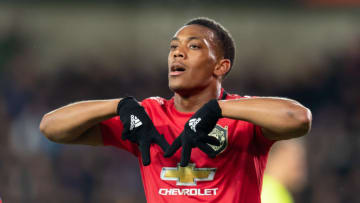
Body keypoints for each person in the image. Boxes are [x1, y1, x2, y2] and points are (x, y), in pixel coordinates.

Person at [39, 17, 312, 203]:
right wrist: (119, 105)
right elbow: (51, 128)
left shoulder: (242, 118)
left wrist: (217, 109)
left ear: (221, 66)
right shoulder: (147, 118)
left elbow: (298, 118)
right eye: (173, 48)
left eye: (193, 46)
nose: (177, 54)